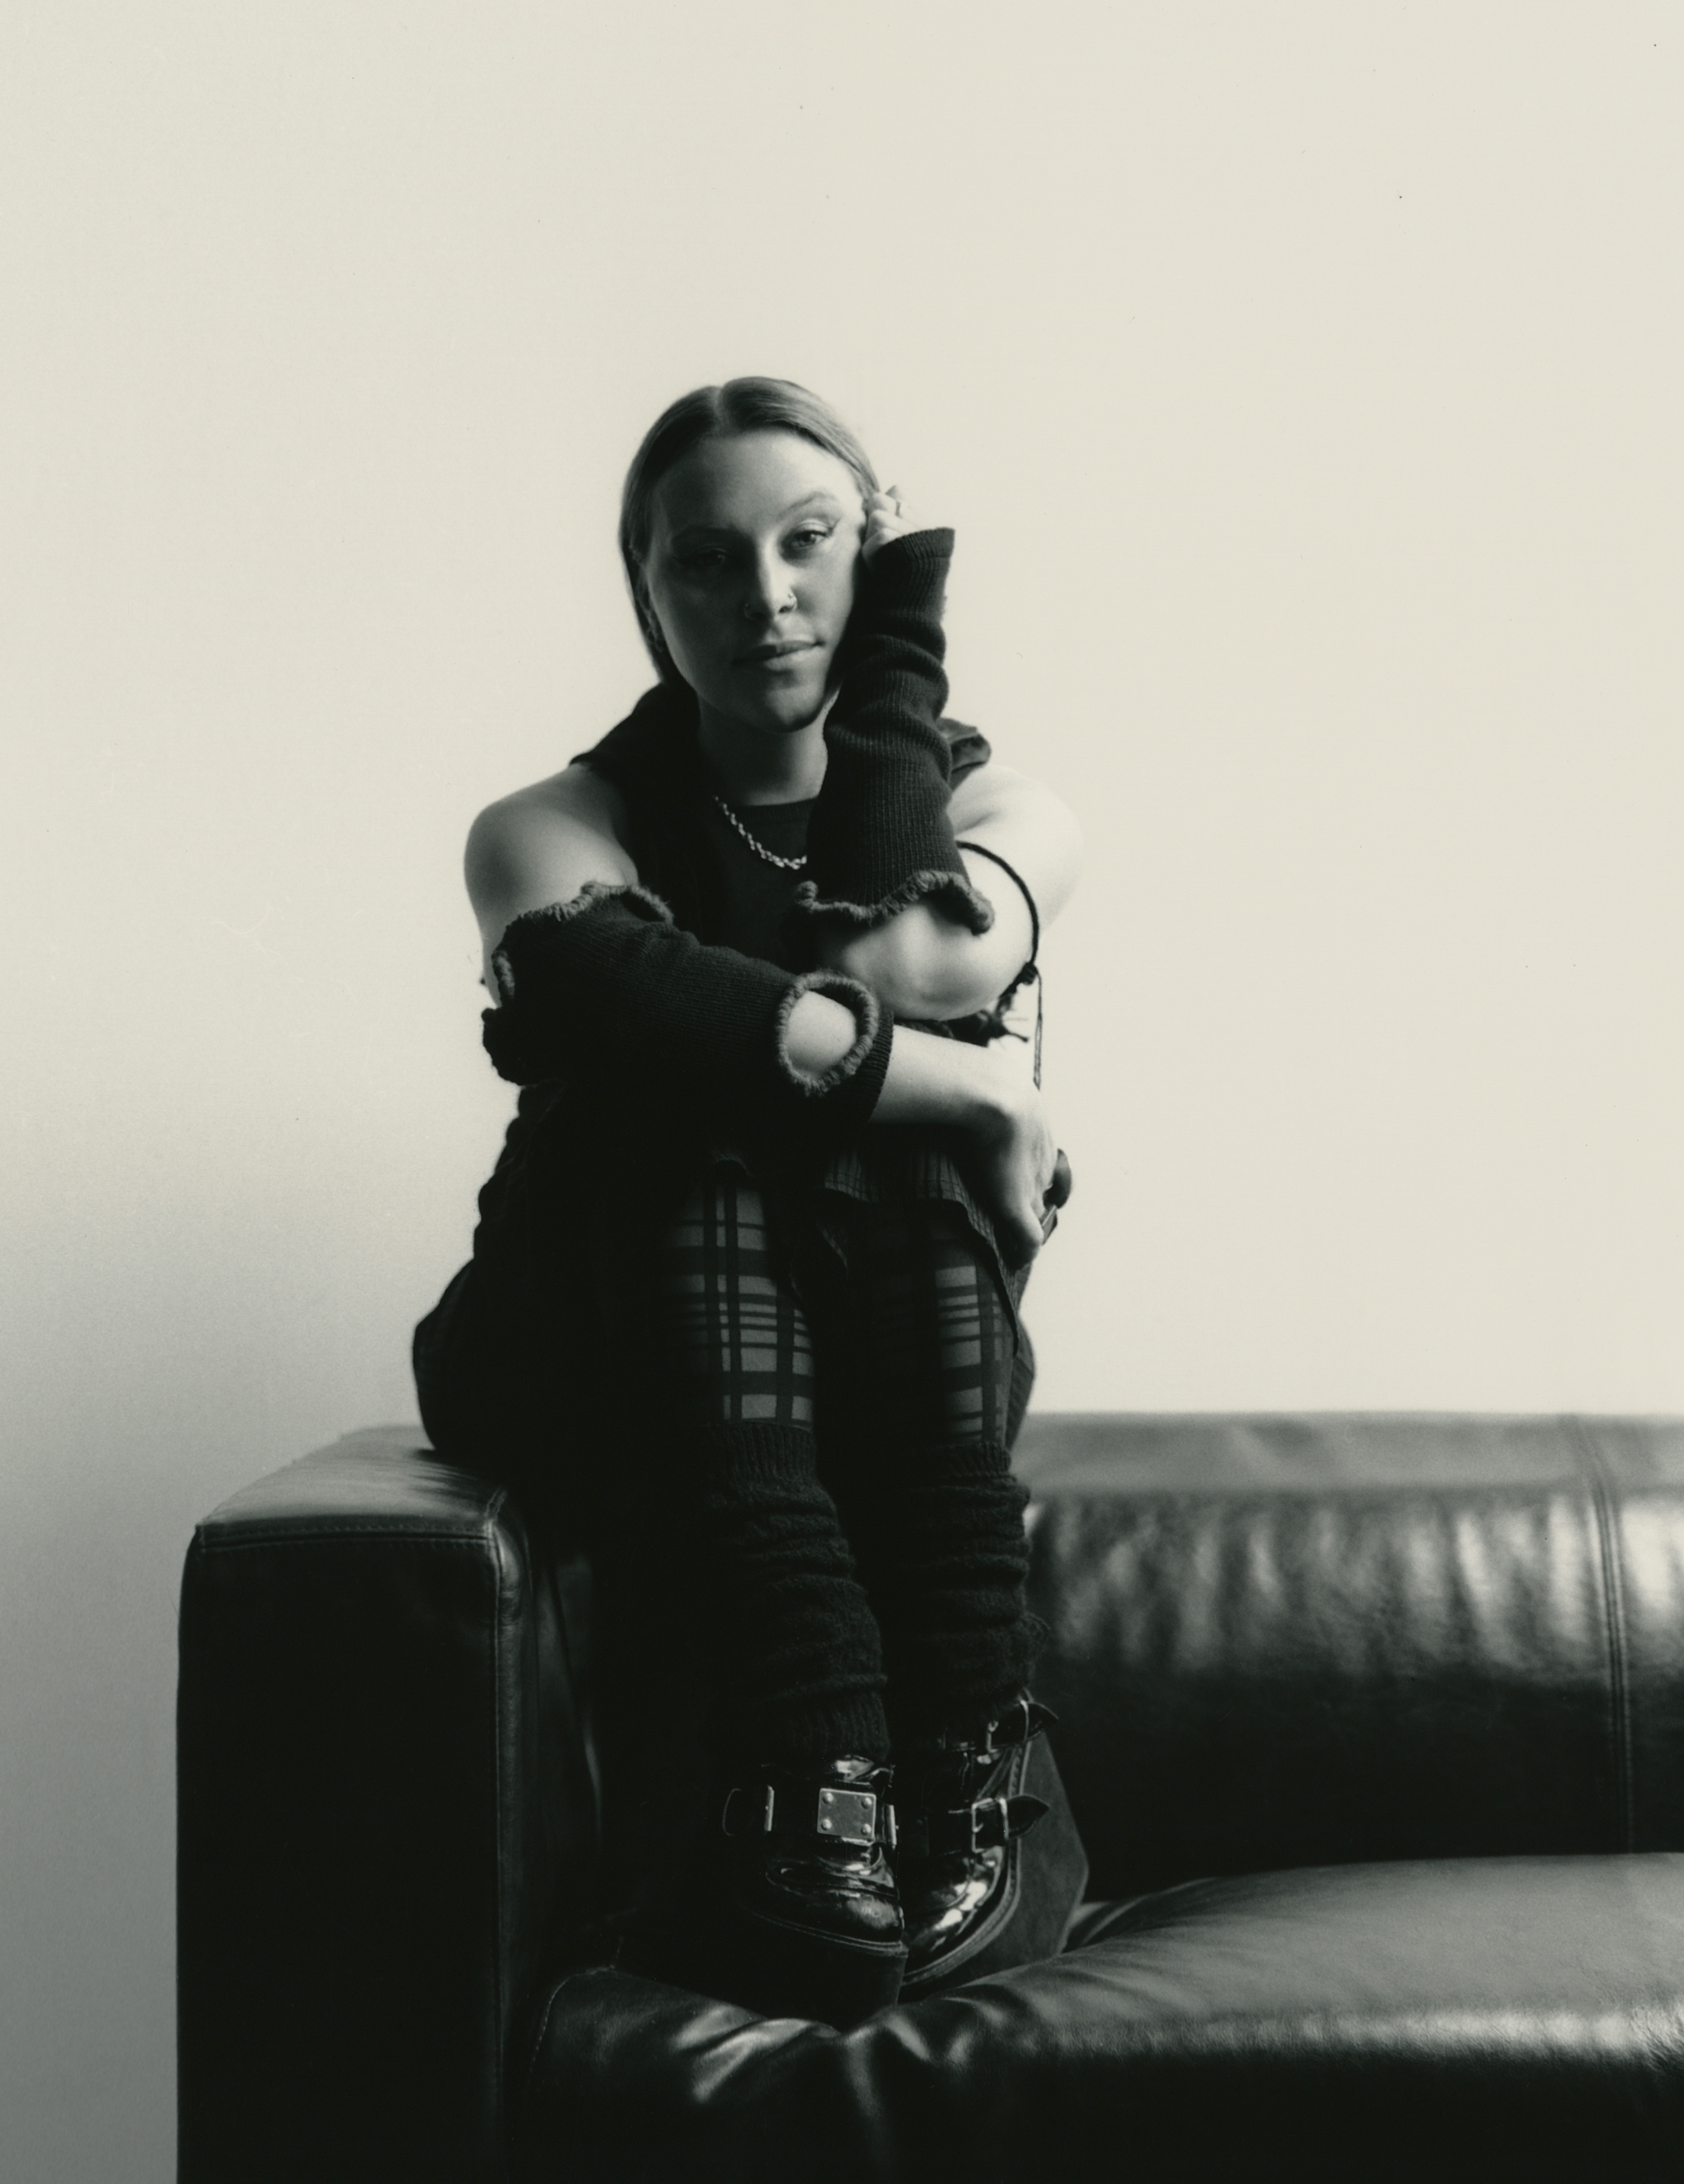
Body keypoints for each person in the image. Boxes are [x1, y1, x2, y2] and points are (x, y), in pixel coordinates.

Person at [413, 377, 1082, 2029]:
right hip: (588, 1331)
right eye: (706, 559)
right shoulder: (550, 824)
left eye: (811, 543)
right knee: (701, 1118)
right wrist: (978, 1090)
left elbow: (902, 954)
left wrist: (897, 673)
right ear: (644, 590)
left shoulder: (1009, 816)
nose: (765, 595)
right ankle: (814, 1759)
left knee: (796, 1107)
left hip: (884, 1355)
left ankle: (959, 1759)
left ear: (875, 556)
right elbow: (639, 1003)